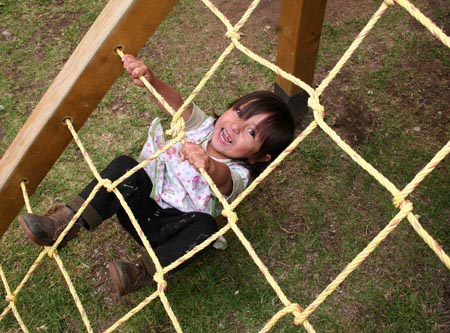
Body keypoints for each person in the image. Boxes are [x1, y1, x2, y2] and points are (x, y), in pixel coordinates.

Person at [18, 54, 296, 296]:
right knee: (126, 166)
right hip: (136, 206)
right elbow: (176, 103)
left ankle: (141, 271)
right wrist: (151, 78)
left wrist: (208, 165)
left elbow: (223, 181)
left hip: (168, 232)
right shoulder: (201, 127)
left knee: (206, 228)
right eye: (239, 112)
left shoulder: (238, 174)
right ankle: (66, 222)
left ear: (260, 157)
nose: (236, 127)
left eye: (251, 132)